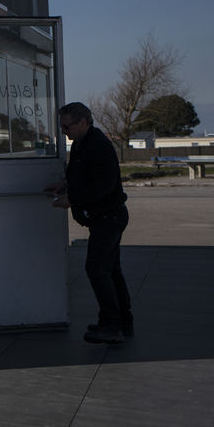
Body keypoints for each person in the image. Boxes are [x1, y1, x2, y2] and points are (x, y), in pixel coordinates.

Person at [45, 102, 132, 345]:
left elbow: (103, 186)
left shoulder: (97, 146)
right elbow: (86, 177)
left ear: (83, 122)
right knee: (110, 269)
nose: (64, 131)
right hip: (106, 217)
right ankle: (121, 322)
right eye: (61, 127)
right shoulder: (83, 143)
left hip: (108, 217)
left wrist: (72, 199)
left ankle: (112, 325)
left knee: (97, 269)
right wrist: (65, 185)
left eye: (67, 126)